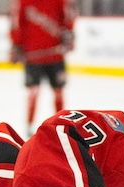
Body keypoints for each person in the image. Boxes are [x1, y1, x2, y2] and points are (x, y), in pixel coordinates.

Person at [9, 0, 76, 136]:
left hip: (55, 55)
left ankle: (61, 124)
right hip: (32, 56)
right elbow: (16, 22)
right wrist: (16, 45)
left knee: (58, 91)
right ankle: (29, 127)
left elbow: (68, 16)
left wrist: (68, 35)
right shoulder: (23, 2)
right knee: (33, 92)